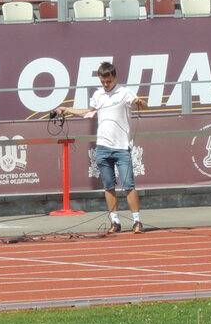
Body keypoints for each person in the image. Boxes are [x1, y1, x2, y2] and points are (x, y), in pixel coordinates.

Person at [60, 61, 148, 234]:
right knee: (108, 186)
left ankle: (137, 221)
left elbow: (144, 106)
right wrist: (67, 109)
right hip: (102, 147)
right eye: (103, 82)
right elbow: (88, 112)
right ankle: (115, 221)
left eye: (108, 81)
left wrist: (140, 102)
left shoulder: (125, 92)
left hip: (122, 147)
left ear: (114, 77)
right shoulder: (98, 94)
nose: (106, 84)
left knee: (128, 185)